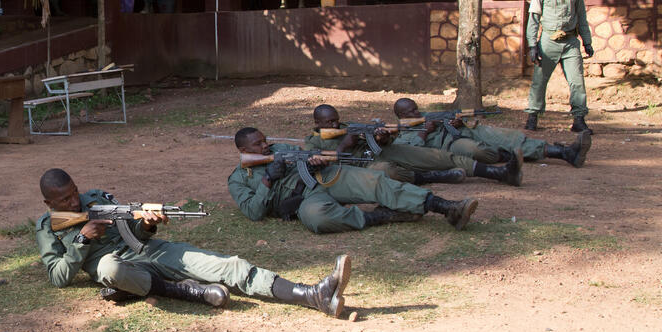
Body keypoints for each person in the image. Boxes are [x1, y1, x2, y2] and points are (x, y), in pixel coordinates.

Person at [36, 169, 352, 318]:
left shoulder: (97, 198)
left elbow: (136, 235)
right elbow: (57, 277)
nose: (74, 201)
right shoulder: (47, 226)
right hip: (118, 268)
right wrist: (82, 238)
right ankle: (182, 291)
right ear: (49, 203)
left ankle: (311, 295)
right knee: (110, 268)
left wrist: (145, 224)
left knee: (226, 266)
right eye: (65, 199)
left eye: (74, 192)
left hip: (148, 253)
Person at [230, 127, 481, 233]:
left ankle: (446, 207)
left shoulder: (281, 148)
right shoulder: (238, 179)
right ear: (243, 151)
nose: (265, 146)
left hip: (323, 177)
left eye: (265, 141)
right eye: (258, 144)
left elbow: (311, 156)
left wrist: (316, 161)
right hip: (302, 201)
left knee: (376, 181)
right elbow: (254, 212)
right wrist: (267, 181)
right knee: (318, 219)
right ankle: (381, 216)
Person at [307, 103, 521, 187]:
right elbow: (322, 168)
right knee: (389, 172)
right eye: (329, 122)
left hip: (381, 152)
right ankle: (430, 177)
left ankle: (499, 173)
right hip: (360, 167)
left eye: (336, 120)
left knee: (438, 157)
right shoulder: (312, 142)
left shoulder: (348, 126)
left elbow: (383, 141)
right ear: (317, 123)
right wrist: (343, 146)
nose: (335, 124)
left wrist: (382, 137)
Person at [391, 98, 591, 168]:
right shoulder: (398, 133)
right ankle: (509, 155)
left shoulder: (427, 115)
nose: (417, 113)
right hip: (449, 146)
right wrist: (424, 133)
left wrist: (456, 122)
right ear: (401, 116)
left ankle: (564, 153)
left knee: (506, 137)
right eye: (411, 112)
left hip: (464, 132)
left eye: (416, 109)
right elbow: (411, 153)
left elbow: (448, 120)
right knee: (478, 151)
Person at [525, 0, 594, 133]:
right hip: (548, 41)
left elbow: (582, 18)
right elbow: (533, 21)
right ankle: (533, 116)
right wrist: (532, 46)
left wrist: (587, 42)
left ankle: (579, 119)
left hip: (570, 42)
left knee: (577, 81)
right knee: (539, 80)